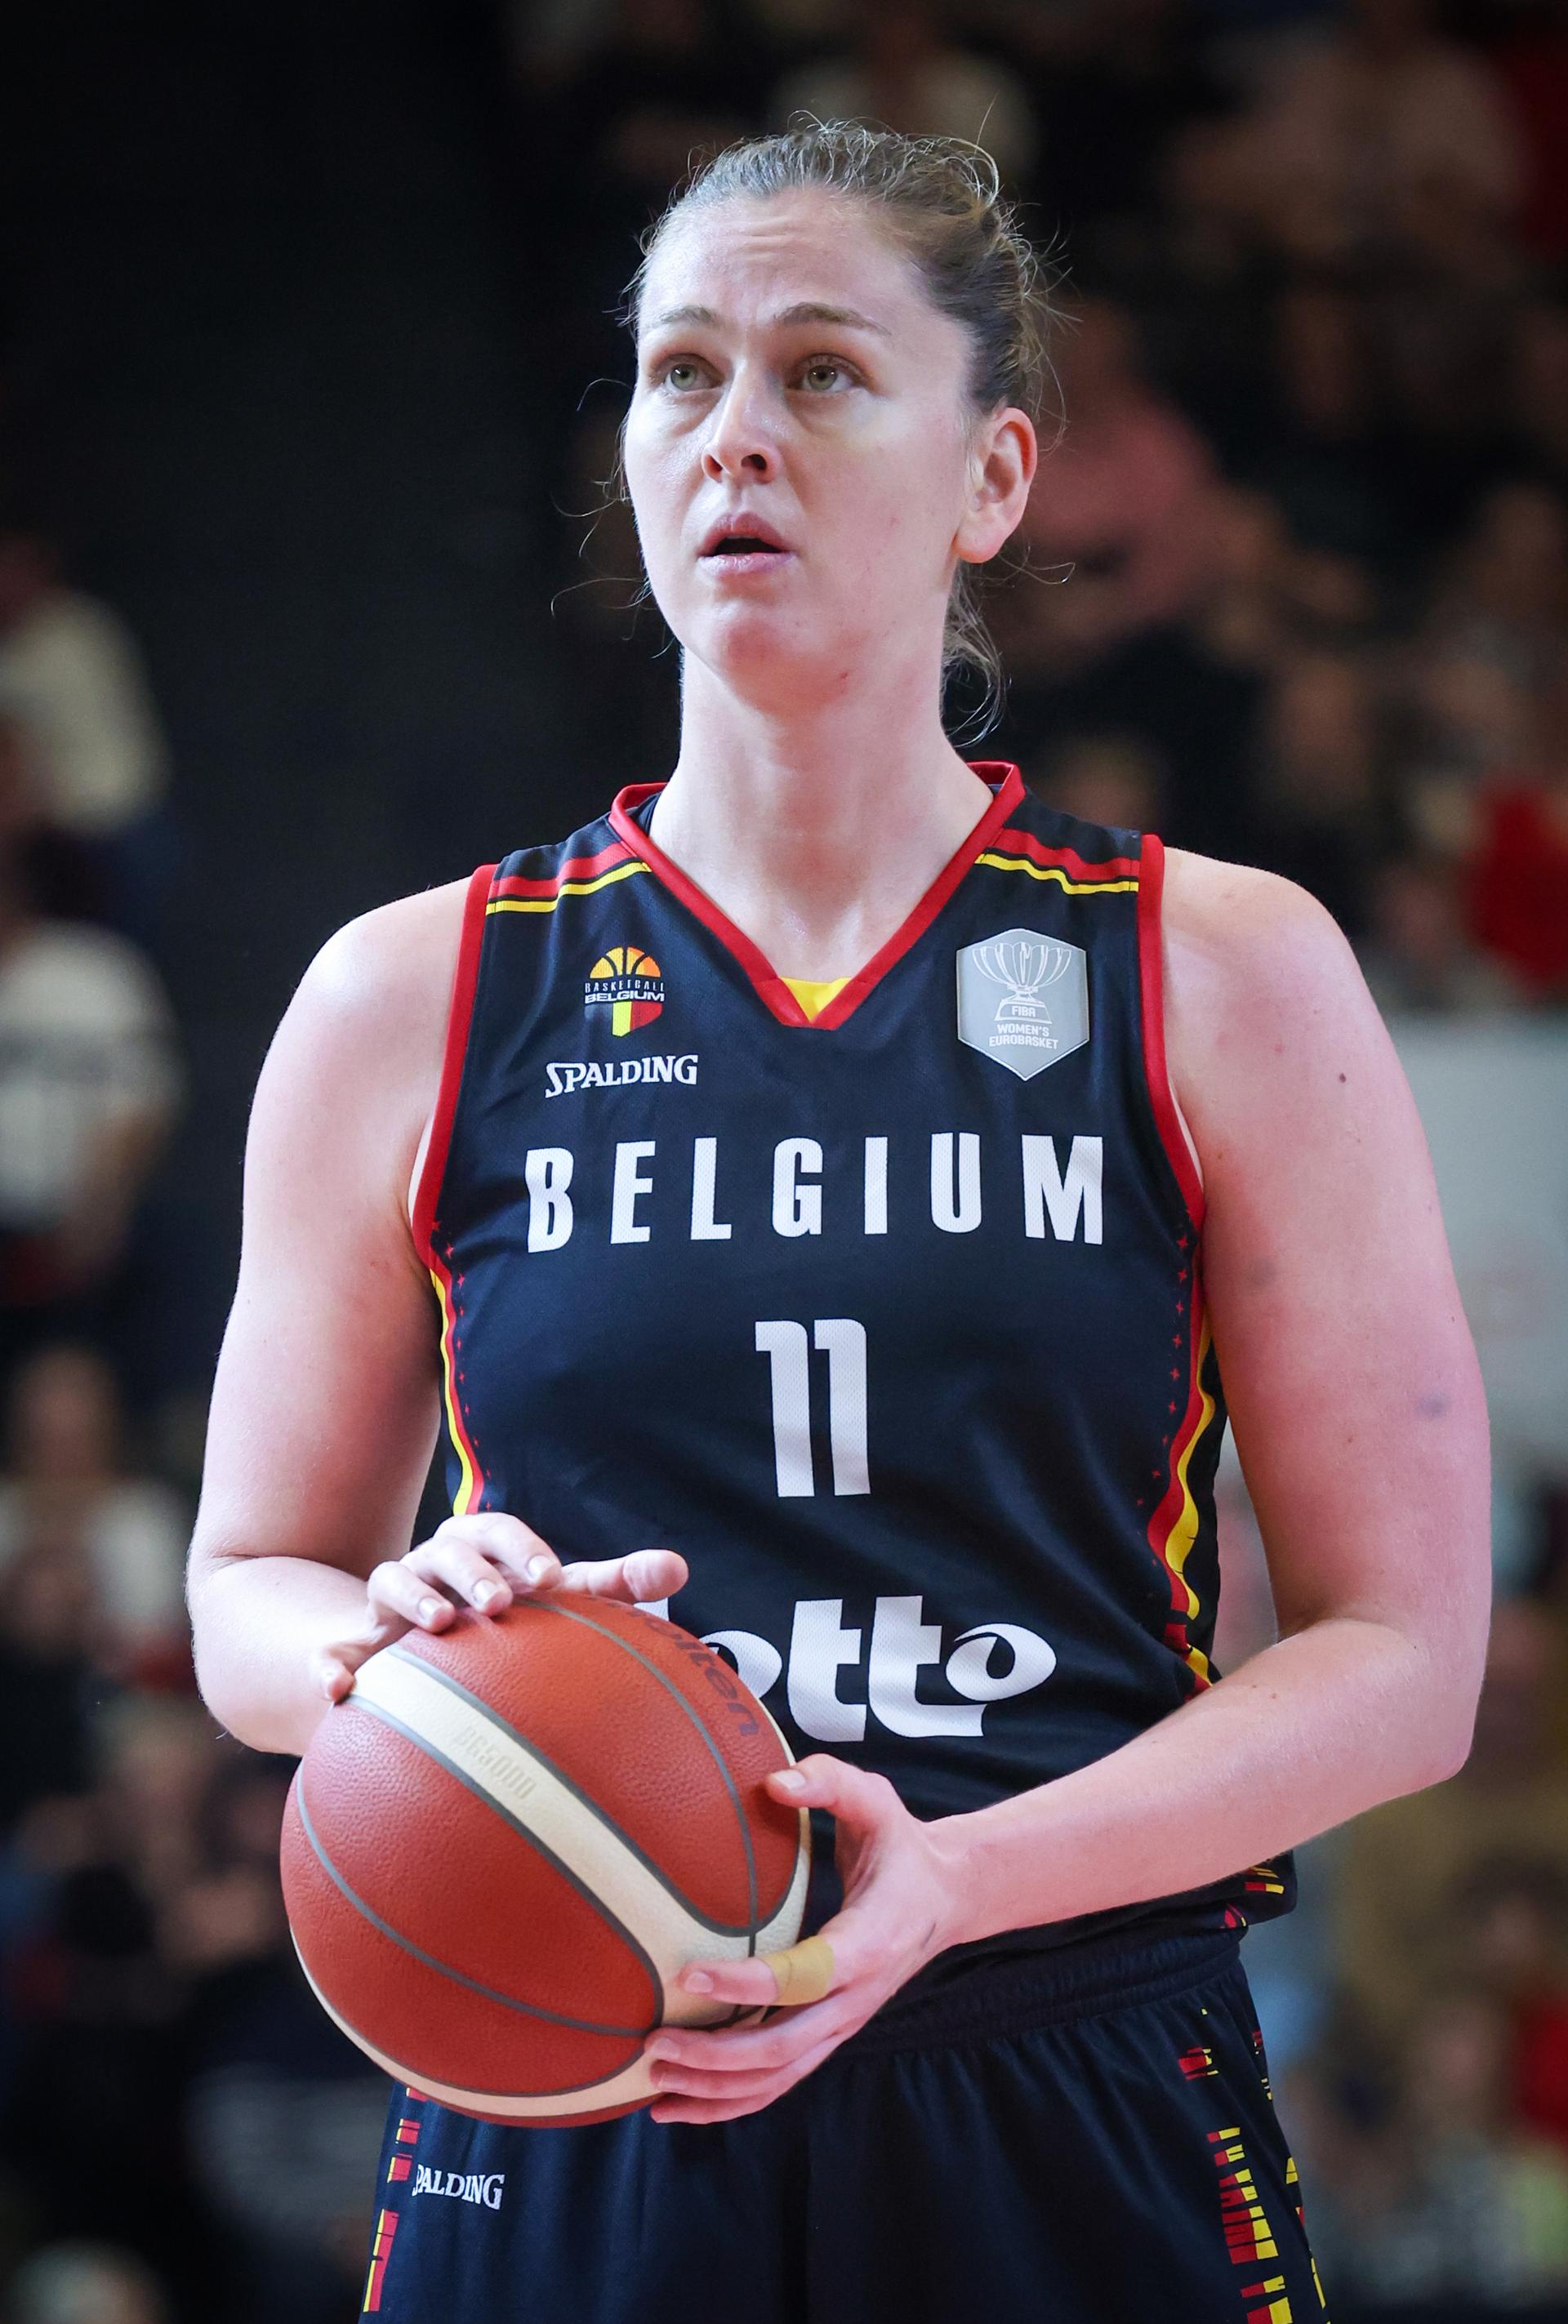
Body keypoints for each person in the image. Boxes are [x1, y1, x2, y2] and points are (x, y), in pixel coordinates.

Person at [186, 124, 1490, 2323]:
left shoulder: (1219, 969)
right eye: (682, 374)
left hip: (1062, 2049)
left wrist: (953, 1884)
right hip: (570, 2069)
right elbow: (246, 1593)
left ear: (992, 480)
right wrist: (388, 1649)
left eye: (818, 372)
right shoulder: (416, 993)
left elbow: (1406, 1664)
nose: (736, 437)